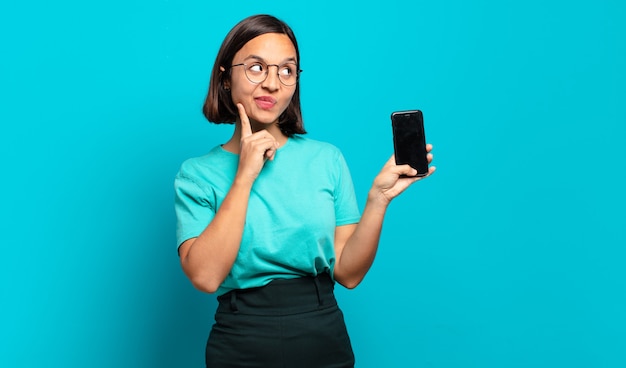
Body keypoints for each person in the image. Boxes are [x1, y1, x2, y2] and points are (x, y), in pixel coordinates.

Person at [174, 14, 435, 368]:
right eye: (256, 68)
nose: (272, 83)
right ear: (225, 77)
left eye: (286, 70)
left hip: (321, 332)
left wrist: (378, 200)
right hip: (240, 338)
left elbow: (348, 273)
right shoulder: (197, 174)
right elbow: (205, 277)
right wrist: (244, 176)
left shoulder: (326, 159)